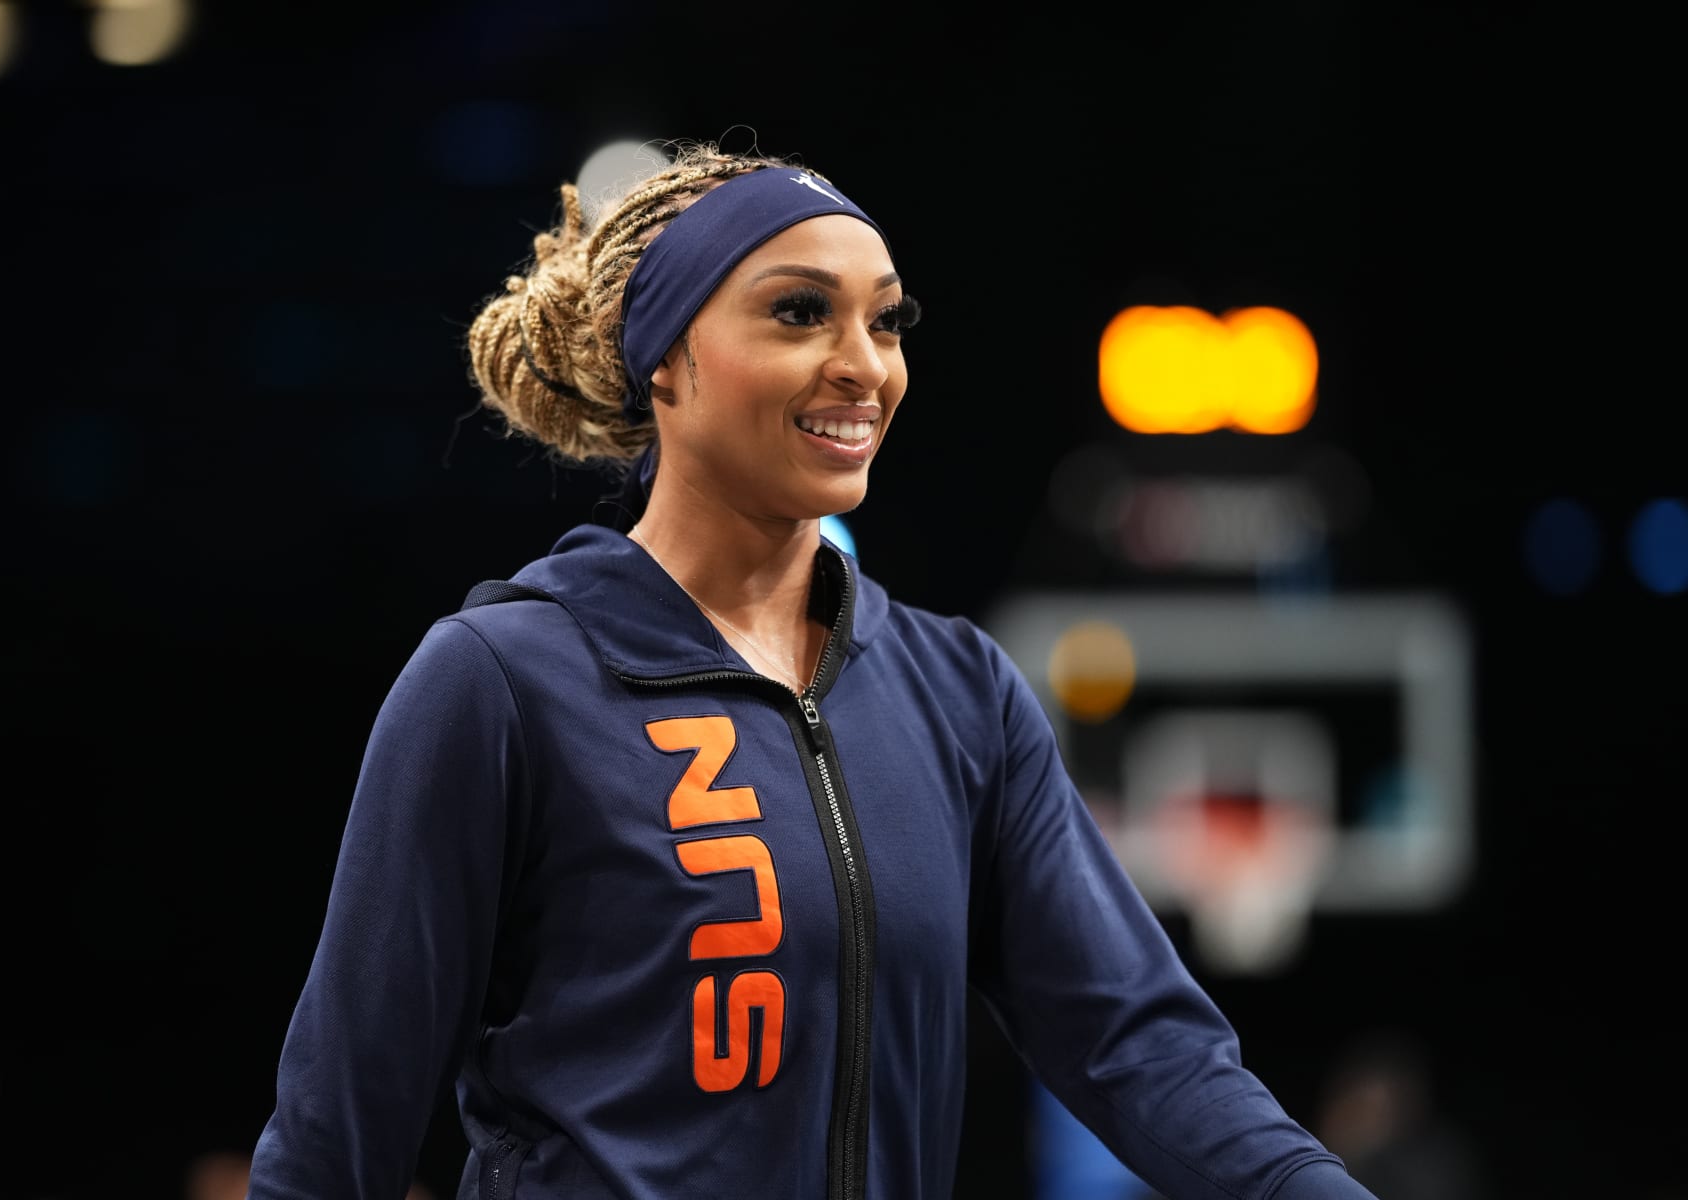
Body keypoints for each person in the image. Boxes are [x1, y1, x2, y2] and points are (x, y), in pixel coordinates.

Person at [244, 138, 1380, 1200]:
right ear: (667, 359)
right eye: (800, 314)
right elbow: (337, 1137)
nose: (862, 367)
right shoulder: (500, 681)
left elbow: (1144, 1050)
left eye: (886, 324)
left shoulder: (960, 693)